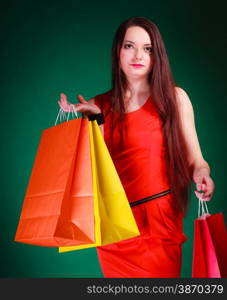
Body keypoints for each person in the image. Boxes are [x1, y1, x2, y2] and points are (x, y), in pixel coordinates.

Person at [58, 17, 215, 278]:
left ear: (157, 55)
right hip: (115, 229)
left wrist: (202, 174)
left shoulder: (175, 99)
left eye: (148, 48)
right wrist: (93, 120)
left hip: (159, 226)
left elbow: (195, 160)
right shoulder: (99, 104)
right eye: (129, 46)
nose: (138, 55)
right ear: (118, 52)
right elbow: (97, 175)